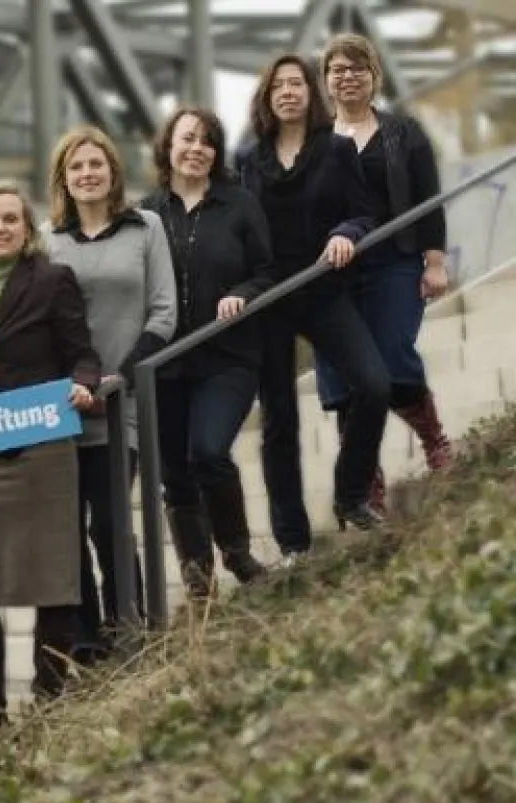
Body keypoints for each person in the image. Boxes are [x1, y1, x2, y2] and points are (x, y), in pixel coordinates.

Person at [0, 180, 100, 737]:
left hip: (43, 444)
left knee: (51, 575)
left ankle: (49, 695)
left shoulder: (54, 279)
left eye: (10, 219)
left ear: (27, 227)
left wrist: (85, 384)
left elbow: (81, 351)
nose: (0, 228)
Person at [236, 52, 392, 558]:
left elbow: (364, 212)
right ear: (267, 95)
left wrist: (347, 234)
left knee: (373, 384)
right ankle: (293, 542)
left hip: (323, 289)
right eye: (278, 84)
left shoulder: (337, 150)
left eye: (297, 83)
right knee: (280, 422)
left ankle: (351, 495)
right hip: (270, 300)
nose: (287, 91)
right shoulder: (246, 161)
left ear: (311, 93)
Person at [43, 123, 177, 648]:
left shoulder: (145, 229)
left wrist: (120, 377)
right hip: (64, 406)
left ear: (112, 172)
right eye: (76, 166)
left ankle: (130, 625)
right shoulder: (47, 241)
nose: (87, 173)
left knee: (110, 523)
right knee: (67, 530)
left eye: (96, 163)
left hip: (122, 401)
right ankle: (86, 638)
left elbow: (164, 312)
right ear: (64, 179)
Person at [139, 108, 272, 600]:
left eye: (208, 141)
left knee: (208, 452)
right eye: (187, 138)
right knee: (174, 471)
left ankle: (236, 551)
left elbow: (266, 270)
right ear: (167, 146)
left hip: (228, 357)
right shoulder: (147, 213)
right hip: (167, 363)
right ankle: (197, 574)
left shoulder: (239, 204)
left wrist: (243, 291)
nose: (197, 148)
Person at [319, 32, 453, 513]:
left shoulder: (404, 132)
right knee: (348, 373)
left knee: (393, 353)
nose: (347, 76)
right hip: (336, 273)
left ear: (374, 76)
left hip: (394, 261)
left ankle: (433, 437)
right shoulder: (316, 142)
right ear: (326, 81)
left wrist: (434, 261)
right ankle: (365, 481)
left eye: (357, 68)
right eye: (337, 69)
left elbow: (429, 199)